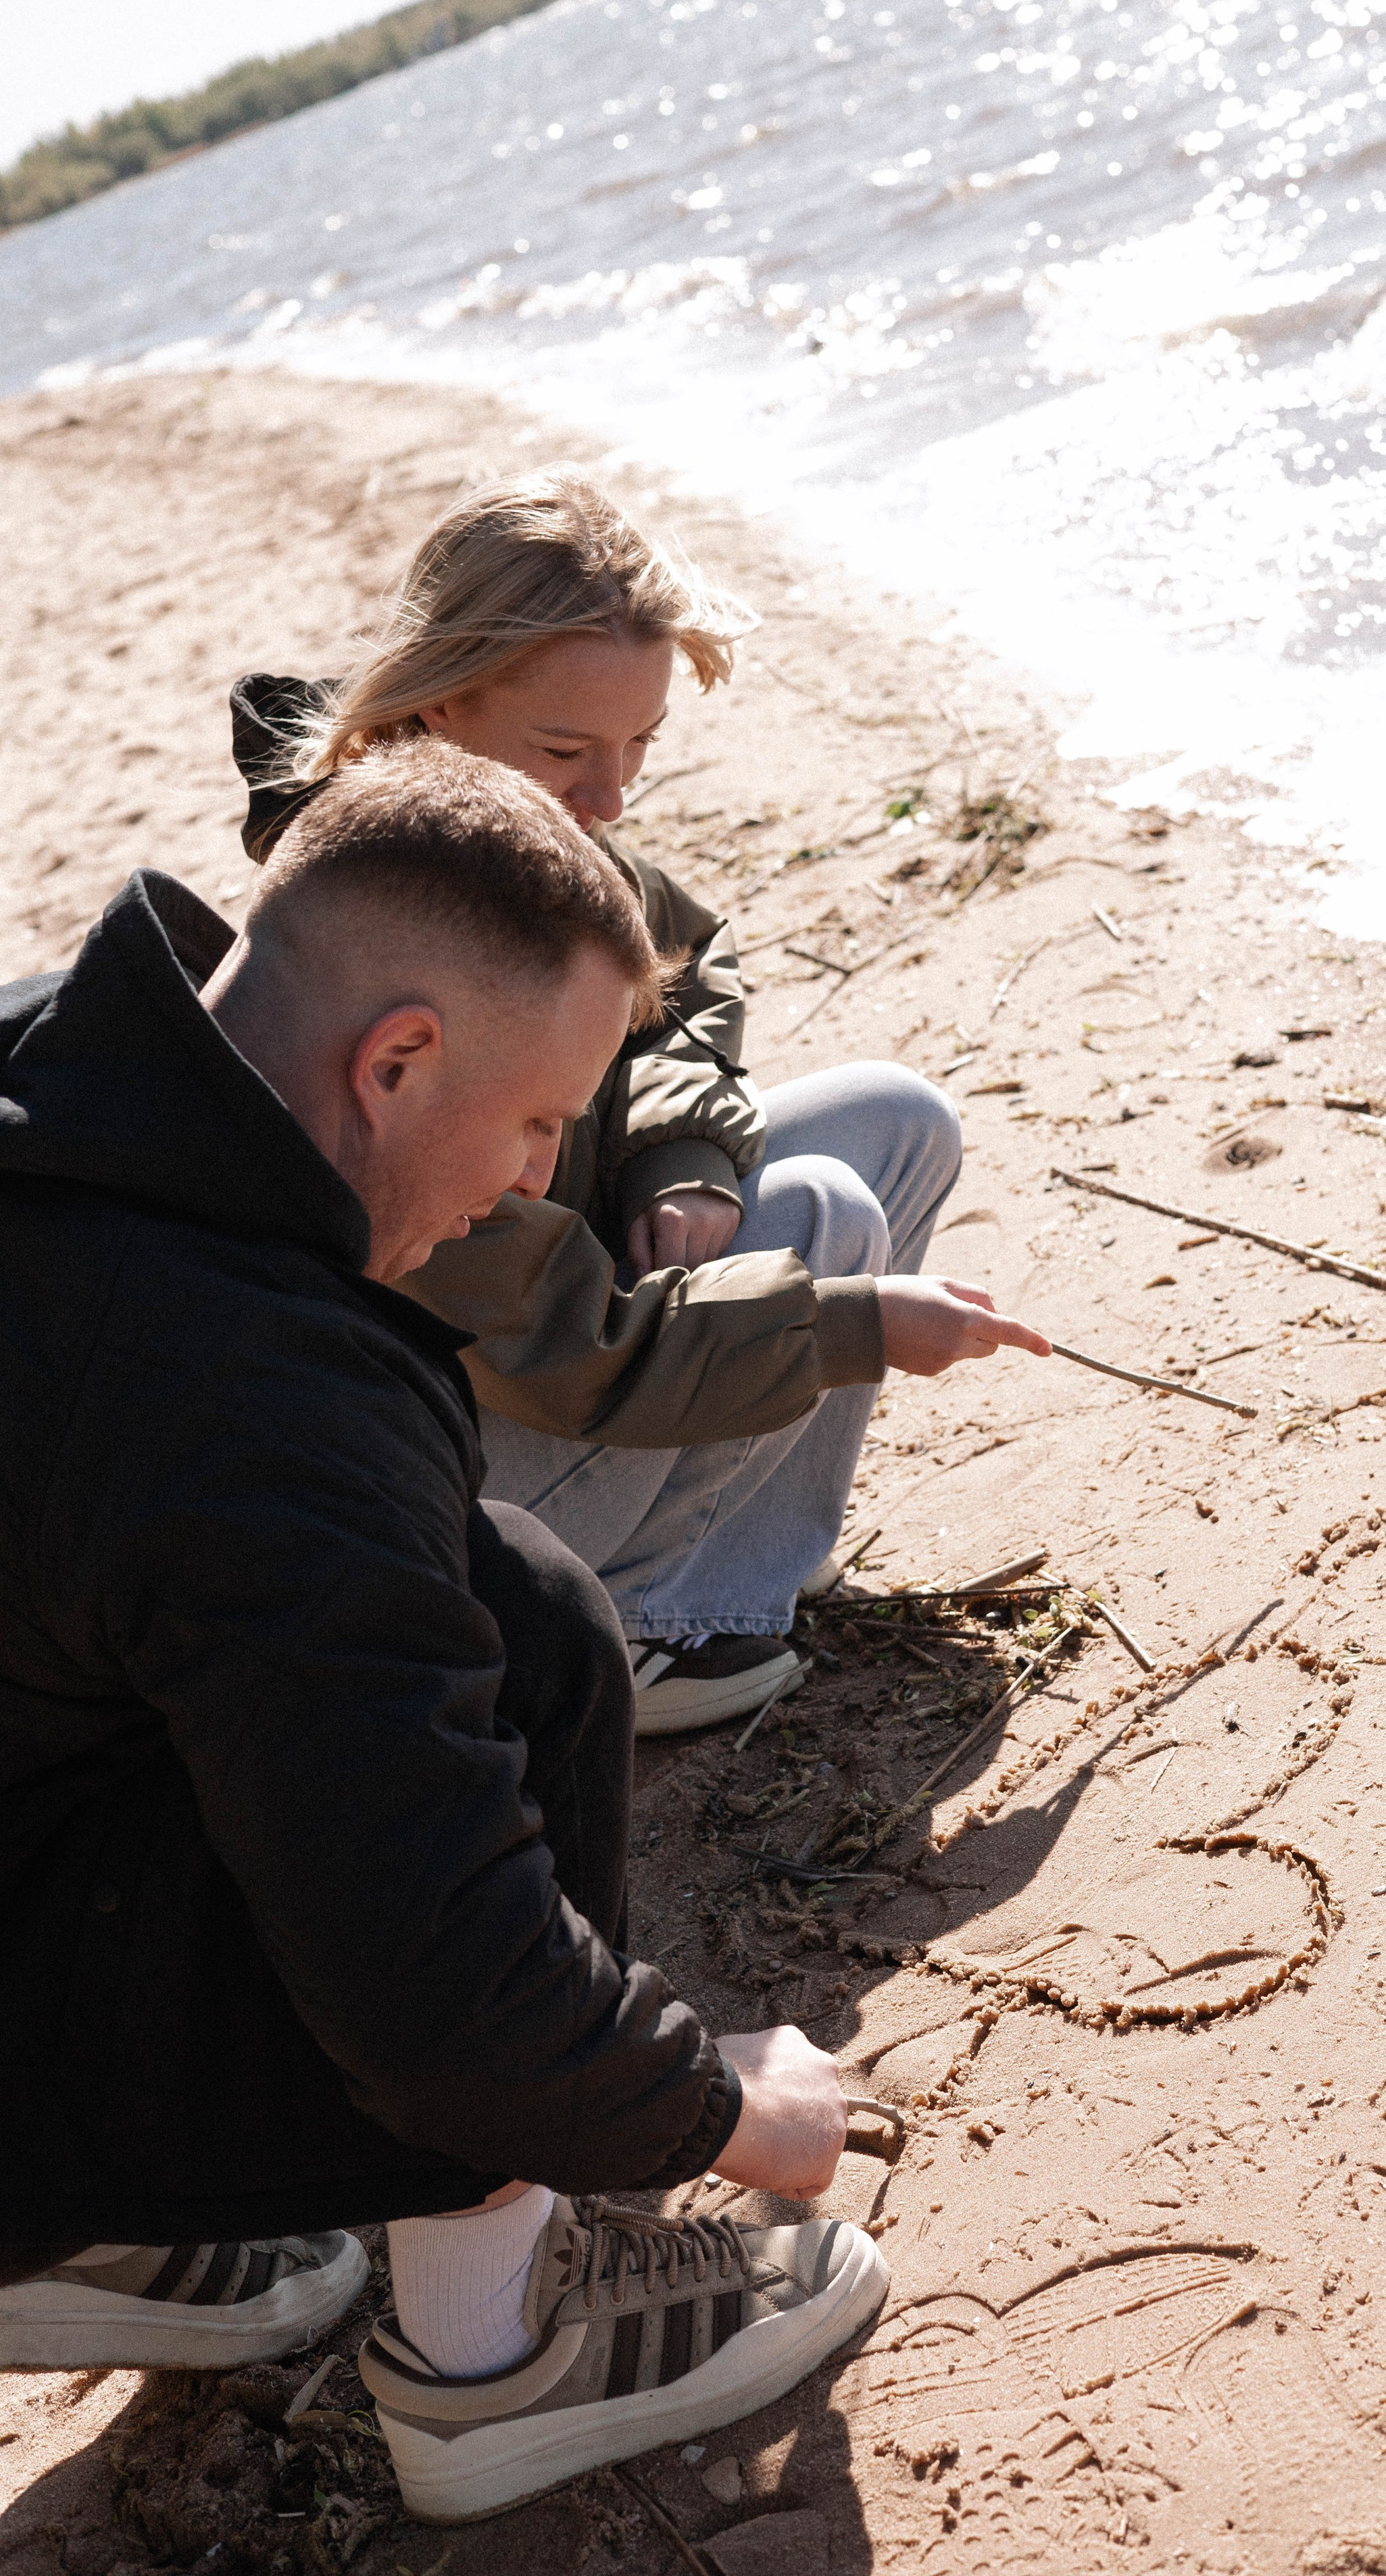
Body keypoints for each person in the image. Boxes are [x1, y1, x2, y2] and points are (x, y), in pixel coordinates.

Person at [0, 742, 1041, 2517]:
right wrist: (713, 2110)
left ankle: (75, 2241)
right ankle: (496, 2362)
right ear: (398, 1059)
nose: (526, 1184)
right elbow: (443, 1993)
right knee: (535, 1638)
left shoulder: (53, 1061)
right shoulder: (255, 1409)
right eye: (542, 1126)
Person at [231, 467, 989, 1737]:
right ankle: (633, 1630)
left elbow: (682, 973)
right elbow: (567, 1347)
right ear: (432, 706)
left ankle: (758, 1563)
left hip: (584, 1302)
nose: (610, 797)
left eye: (639, 747)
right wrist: (852, 1323)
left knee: (894, 1118)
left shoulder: (544, 843)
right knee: (822, 1213)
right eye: (567, 751)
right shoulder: (396, 943)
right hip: (484, 1450)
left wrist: (676, 1151)